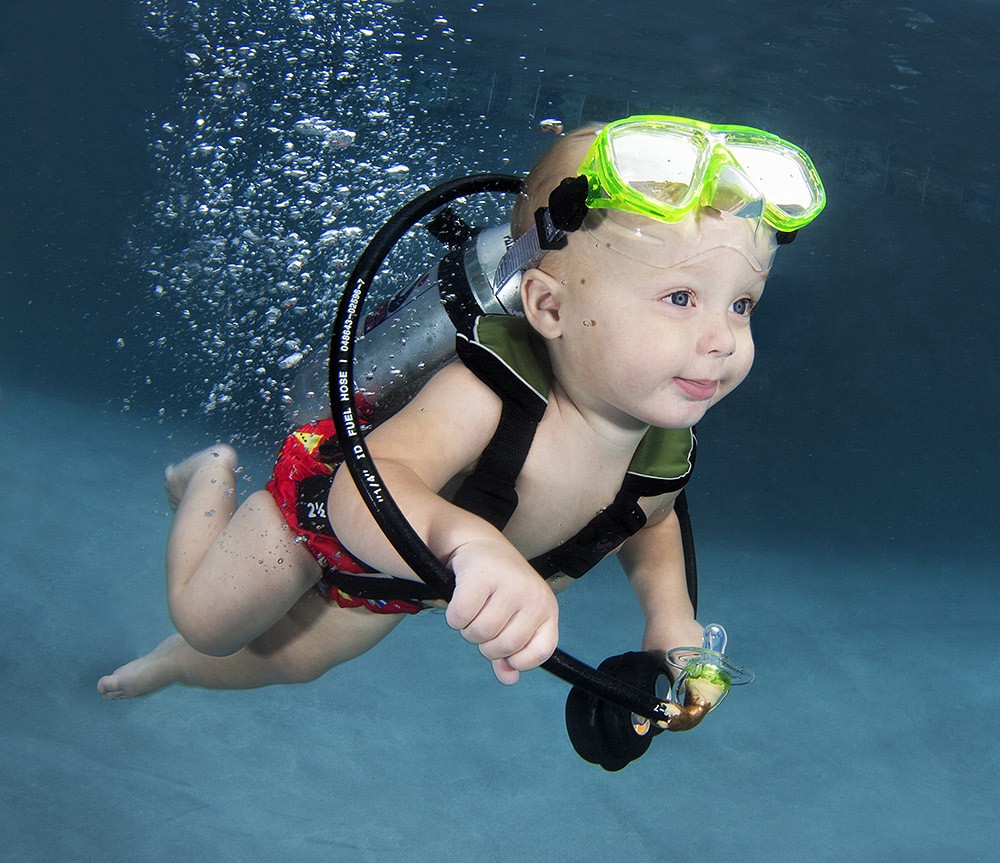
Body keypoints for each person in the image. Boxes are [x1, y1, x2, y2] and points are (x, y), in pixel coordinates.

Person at [98, 116, 825, 715]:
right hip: (315, 516)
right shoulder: (490, 394)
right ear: (548, 307)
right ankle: (208, 476)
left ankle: (169, 667)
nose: (721, 339)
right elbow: (367, 489)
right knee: (209, 623)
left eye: (741, 304)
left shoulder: (660, 443)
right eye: (680, 299)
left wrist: (669, 618)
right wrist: (469, 545)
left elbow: (652, 519)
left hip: (404, 581)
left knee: (290, 661)